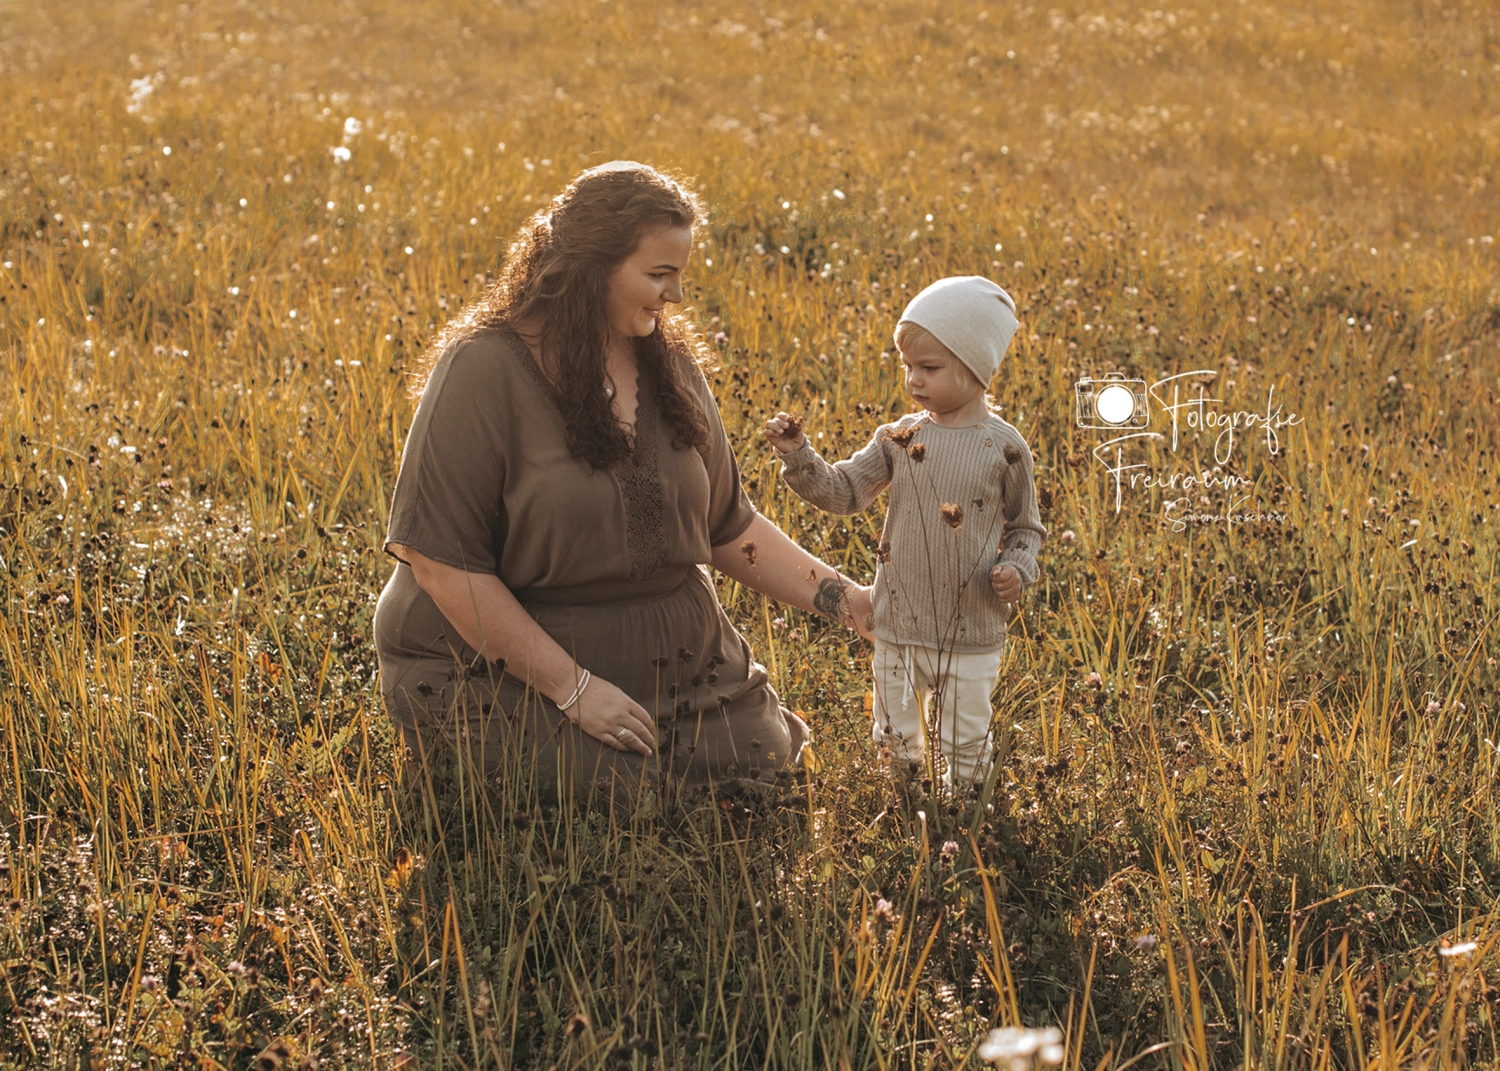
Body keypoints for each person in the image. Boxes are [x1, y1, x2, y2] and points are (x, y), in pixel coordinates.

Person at [372, 161, 872, 801]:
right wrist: (573, 689)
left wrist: (847, 600)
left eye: (680, 276)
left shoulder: (669, 362)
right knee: (616, 787)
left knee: (757, 754)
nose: (676, 296)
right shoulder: (482, 370)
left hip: (675, 659)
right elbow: (443, 566)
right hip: (501, 663)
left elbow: (728, 526)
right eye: (659, 275)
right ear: (590, 268)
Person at [763, 276, 1046, 791]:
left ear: (976, 367)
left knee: (965, 740)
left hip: (972, 630)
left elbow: (1026, 527)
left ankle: (964, 816)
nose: (914, 379)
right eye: (907, 367)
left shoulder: (1005, 449)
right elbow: (845, 490)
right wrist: (798, 455)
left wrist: (1017, 569)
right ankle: (907, 808)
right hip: (899, 623)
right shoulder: (899, 438)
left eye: (930, 368)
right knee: (894, 734)